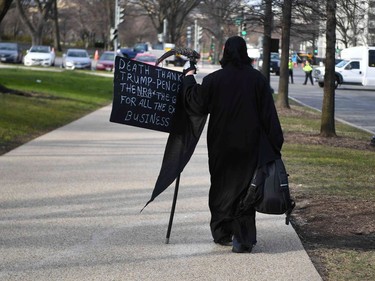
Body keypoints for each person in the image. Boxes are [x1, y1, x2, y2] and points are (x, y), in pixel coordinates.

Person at [181, 36, 284, 253]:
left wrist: (188, 77)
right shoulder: (257, 80)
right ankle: (243, 237)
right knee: (247, 189)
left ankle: (222, 232)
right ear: (245, 52)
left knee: (221, 186)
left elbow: (195, 104)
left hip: (221, 145)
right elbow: (269, 117)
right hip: (250, 146)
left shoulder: (213, 81)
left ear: (225, 52)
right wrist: (275, 146)